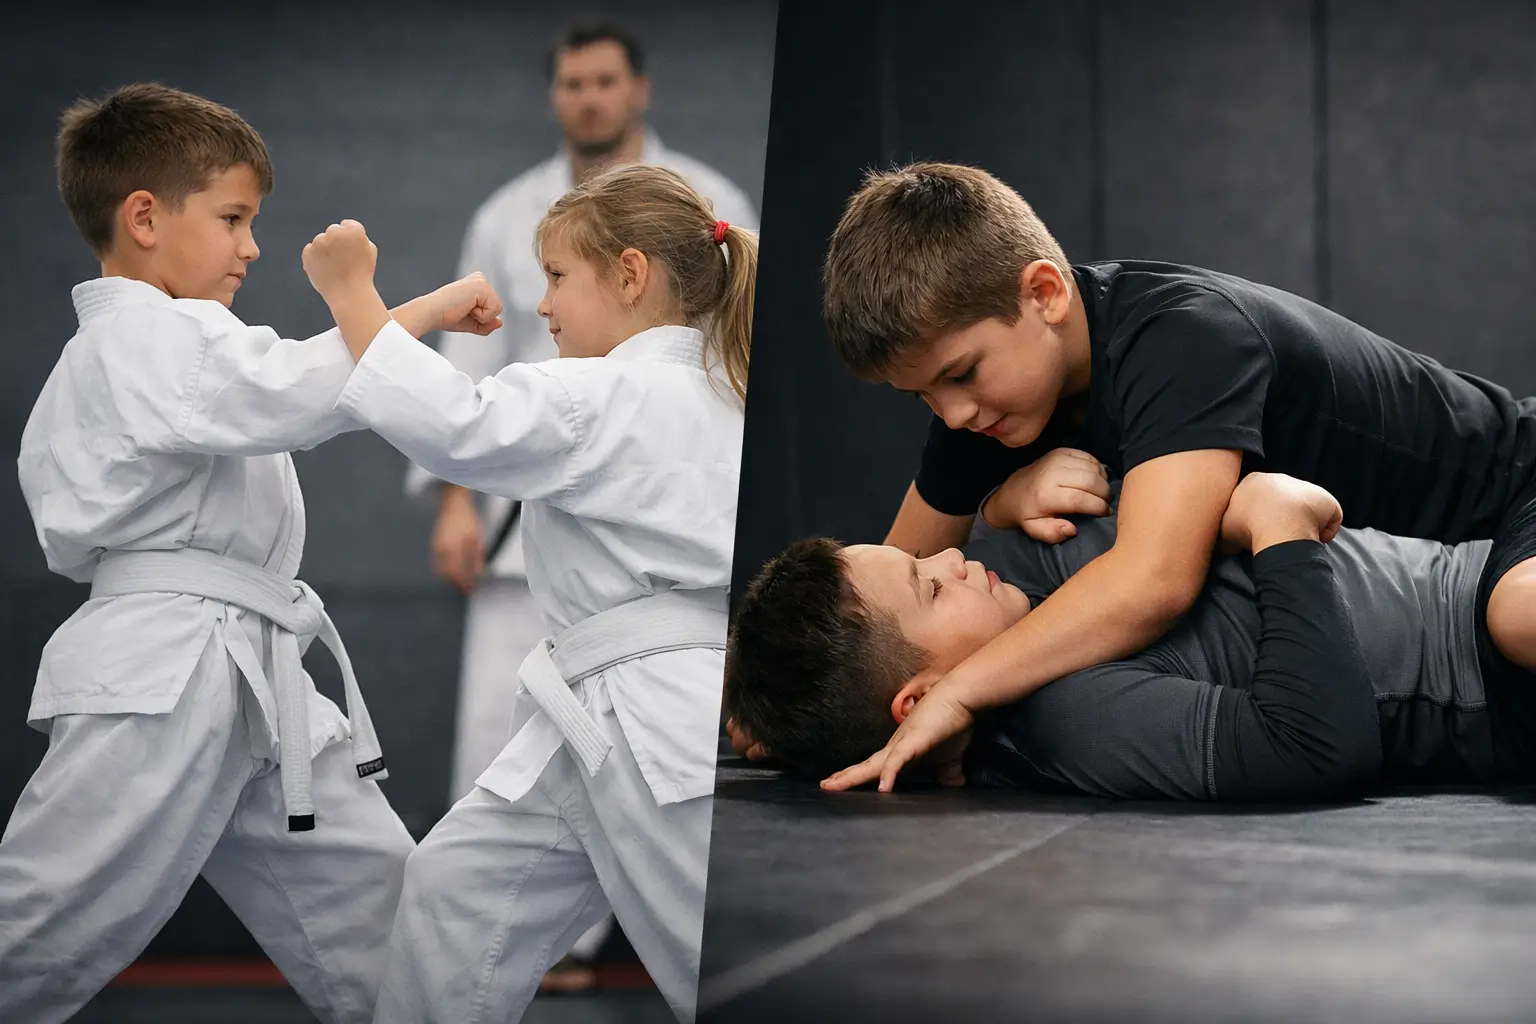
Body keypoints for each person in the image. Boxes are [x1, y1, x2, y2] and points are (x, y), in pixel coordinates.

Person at [1, 83, 499, 1024]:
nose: (251, 247)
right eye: (232, 218)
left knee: (397, 926)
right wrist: (420, 307)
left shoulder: (141, 348)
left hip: (248, 670)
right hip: (166, 669)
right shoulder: (146, 334)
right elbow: (296, 390)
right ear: (143, 217)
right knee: (38, 930)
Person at [811, 160, 1536, 790]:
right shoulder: (989, 407)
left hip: (1514, 494)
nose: (954, 413)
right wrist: (782, 697)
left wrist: (961, 689)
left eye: (959, 375)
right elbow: (886, 586)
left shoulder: (1183, 339)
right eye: (923, 398)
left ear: (1045, 294)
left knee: (1519, 615)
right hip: (1444, 597)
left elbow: (1156, 580)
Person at [299, 162, 754, 1023]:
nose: (541, 306)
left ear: (629, 275)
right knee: (452, 892)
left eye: (555, 278)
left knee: (711, 960)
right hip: (607, 715)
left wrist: (351, 292)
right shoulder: (717, 388)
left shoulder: (605, 390)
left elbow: (454, 425)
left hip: (650, 715)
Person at [409, 22, 758, 977]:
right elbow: (478, 369)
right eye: (573, 82)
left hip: (617, 514)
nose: (589, 98)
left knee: (696, 904)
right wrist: (454, 506)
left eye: (605, 80)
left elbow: (460, 408)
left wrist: (364, 311)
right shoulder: (509, 212)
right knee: (487, 772)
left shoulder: (709, 204)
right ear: (557, 94)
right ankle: (553, 946)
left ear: (637, 89)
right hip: (536, 518)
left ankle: (610, 942)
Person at [725, 470, 1536, 799]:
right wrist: (1277, 529)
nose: (950, 553)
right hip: (1490, 667)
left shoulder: (1009, 579)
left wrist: (1011, 492)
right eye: (930, 585)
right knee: (1519, 614)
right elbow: (1318, 747)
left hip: (1496, 551)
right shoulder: (1072, 717)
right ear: (924, 698)